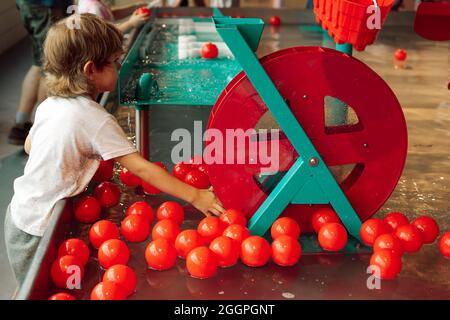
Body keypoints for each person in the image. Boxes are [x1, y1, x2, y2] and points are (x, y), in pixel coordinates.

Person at [4, 13, 225, 286]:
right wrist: (196, 195)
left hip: (18, 217)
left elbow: (30, 145)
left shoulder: (50, 104)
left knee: (27, 286)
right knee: (39, 287)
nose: (119, 69)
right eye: (114, 63)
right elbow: (141, 168)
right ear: (90, 70)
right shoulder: (94, 119)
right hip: (37, 229)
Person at [8, 0, 71, 145]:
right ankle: (43, 127)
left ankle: (21, 124)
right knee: (50, 65)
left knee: (39, 62)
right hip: (47, 5)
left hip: (30, 4)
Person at [77, 0, 150, 33]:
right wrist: (131, 23)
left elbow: (111, 14)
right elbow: (106, 34)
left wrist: (134, 7)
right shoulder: (93, 7)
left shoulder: (93, 2)